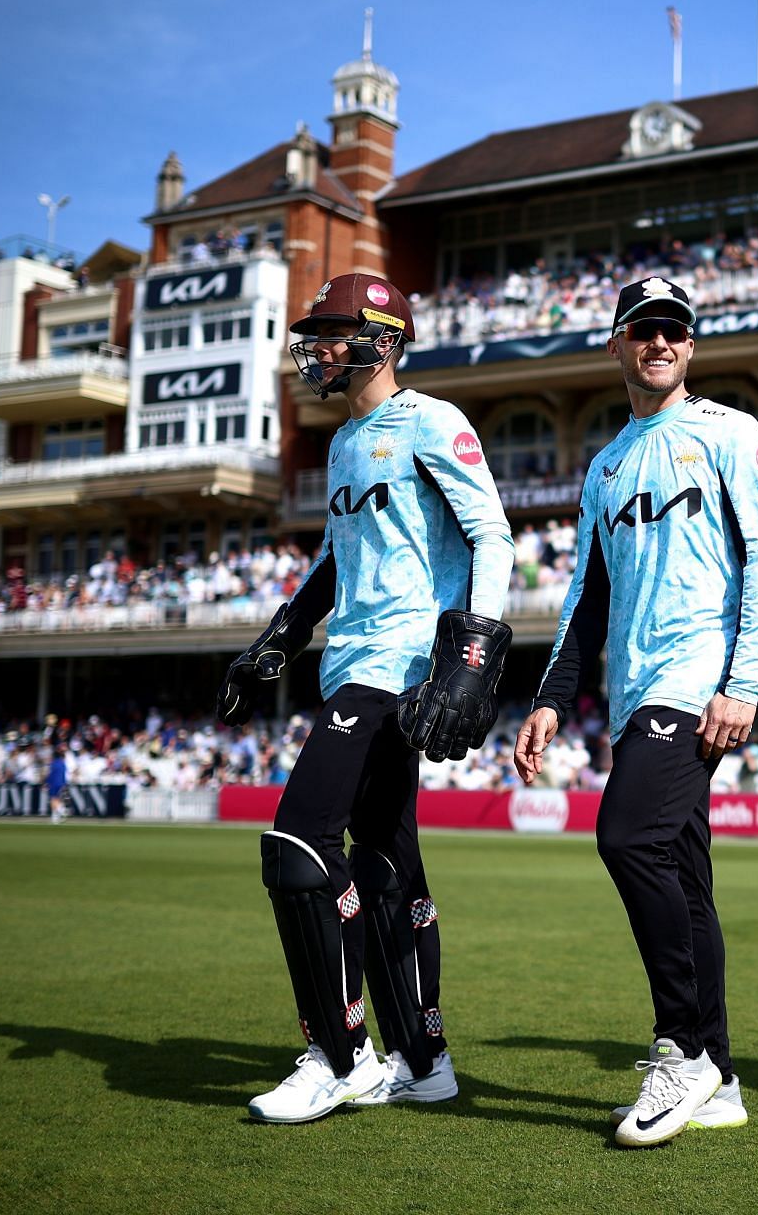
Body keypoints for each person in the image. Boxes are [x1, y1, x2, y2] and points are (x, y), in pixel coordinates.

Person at [219, 273, 515, 1122]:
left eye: (334, 333)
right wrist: (279, 633)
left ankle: (340, 1057)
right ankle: (423, 1062)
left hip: (398, 668)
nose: (318, 349)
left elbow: (491, 533)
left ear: (382, 340)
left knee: (299, 840)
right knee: (385, 860)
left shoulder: (430, 420)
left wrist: (469, 660)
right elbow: (336, 563)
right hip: (351, 661)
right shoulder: (347, 442)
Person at [514, 275, 758, 1147]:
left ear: (692, 348)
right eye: (643, 330)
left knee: (626, 837)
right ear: (617, 343)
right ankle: (724, 1075)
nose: (659, 343)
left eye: (675, 331)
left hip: (696, 677)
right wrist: (554, 697)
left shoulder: (729, 433)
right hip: (633, 688)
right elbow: (586, 597)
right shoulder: (606, 464)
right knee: (685, 878)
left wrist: (742, 683)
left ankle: (683, 1049)